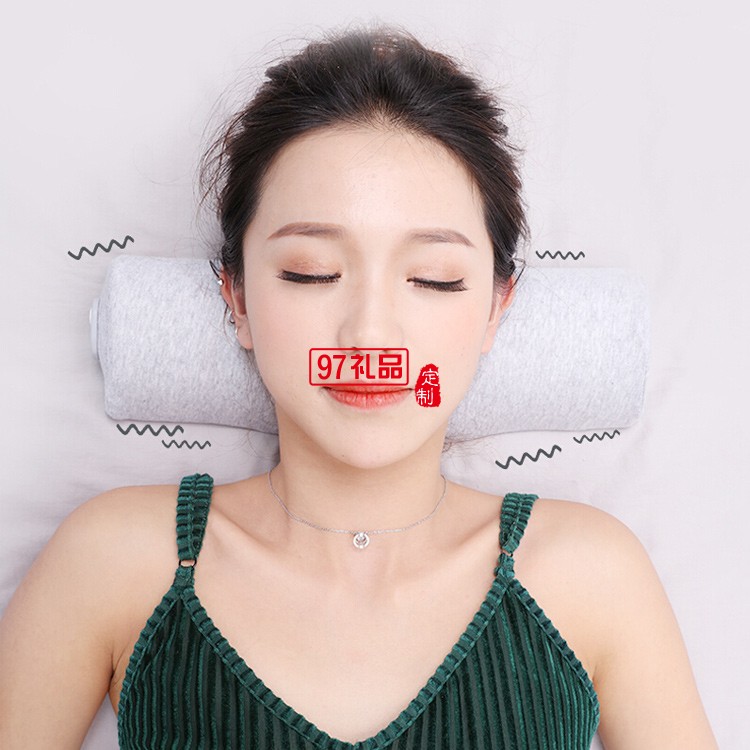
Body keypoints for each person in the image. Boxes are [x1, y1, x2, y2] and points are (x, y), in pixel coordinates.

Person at [0, 25, 717, 749]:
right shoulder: (117, 559)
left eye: (433, 279)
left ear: (496, 309)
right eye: (311, 273)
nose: (370, 334)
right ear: (237, 298)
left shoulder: (589, 576)